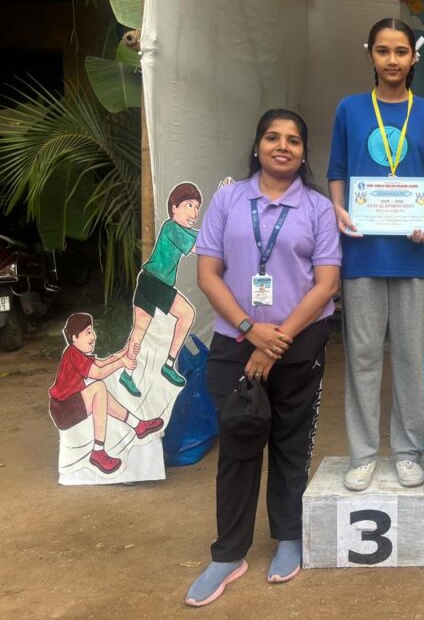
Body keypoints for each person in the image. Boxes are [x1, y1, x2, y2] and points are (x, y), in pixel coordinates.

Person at [186, 109, 340, 606]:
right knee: (238, 442)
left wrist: (277, 341)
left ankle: (289, 537)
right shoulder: (228, 199)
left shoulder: (318, 208)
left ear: (303, 152)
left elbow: (326, 284)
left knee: (292, 443)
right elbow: (208, 274)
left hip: (299, 343)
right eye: (273, 137)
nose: (283, 146)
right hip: (236, 343)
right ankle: (228, 553)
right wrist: (251, 331)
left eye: (294, 140)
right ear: (257, 146)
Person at [327, 18, 424, 493]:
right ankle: (362, 454)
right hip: (362, 249)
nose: (393, 60)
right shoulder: (350, 109)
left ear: (414, 57)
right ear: (371, 55)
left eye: (401, 51)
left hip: (413, 253)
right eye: (384, 51)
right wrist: (339, 210)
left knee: (408, 356)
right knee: (361, 355)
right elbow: (338, 170)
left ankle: (406, 451)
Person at [48, 313, 163, 475]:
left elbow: (100, 363)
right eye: (88, 332)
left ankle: (138, 426)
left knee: (102, 395)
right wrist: (121, 362)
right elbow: (98, 373)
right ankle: (98, 451)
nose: (93, 336)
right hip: (64, 409)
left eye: (92, 331)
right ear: (74, 338)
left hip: (68, 406)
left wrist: (123, 353)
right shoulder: (73, 353)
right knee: (99, 388)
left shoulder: (76, 353)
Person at [117, 182, 202, 397]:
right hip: (155, 283)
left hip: (146, 281)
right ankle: (169, 364)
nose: (194, 212)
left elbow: (203, 237)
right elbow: (201, 246)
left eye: (197, 207)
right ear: (174, 208)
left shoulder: (181, 230)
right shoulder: (172, 227)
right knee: (187, 314)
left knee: (139, 330)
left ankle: (127, 373)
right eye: (189, 205)